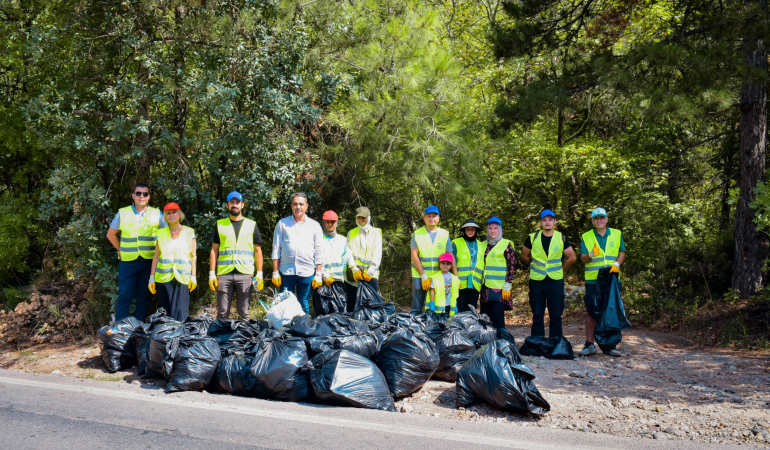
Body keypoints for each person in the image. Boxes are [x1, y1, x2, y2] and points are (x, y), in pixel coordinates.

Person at [106, 183, 168, 321]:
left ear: (149, 197)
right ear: (133, 196)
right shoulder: (123, 212)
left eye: (145, 193)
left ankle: (139, 327)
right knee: (124, 295)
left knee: (144, 296)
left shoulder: (156, 213)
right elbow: (111, 234)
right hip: (128, 262)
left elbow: (166, 235)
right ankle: (120, 327)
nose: (142, 196)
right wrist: (121, 250)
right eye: (138, 193)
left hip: (148, 262)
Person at [520, 209, 577, 338]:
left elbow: (572, 257)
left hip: (555, 280)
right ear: (540, 222)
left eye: (550, 220)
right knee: (537, 313)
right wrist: (534, 266)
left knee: (556, 313)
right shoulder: (532, 238)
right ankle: (537, 341)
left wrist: (560, 269)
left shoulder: (561, 237)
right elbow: (524, 256)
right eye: (544, 220)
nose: (547, 222)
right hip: (536, 280)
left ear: (555, 222)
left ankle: (556, 342)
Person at [578, 207, 626, 357]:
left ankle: (609, 346)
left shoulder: (617, 234)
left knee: (610, 311)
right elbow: (583, 258)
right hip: (593, 280)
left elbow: (622, 253)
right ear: (593, 220)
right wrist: (591, 254)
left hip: (611, 279)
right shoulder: (586, 236)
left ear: (606, 219)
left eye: (602, 217)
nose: (599, 220)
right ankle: (590, 344)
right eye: (596, 218)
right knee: (592, 311)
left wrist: (617, 265)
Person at [209, 191, 264, 320]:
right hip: (224, 274)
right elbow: (214, 250)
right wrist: (212, 273)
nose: (235, 205)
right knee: (222, 313)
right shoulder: (219, 224)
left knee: (244, 313)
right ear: (227, 205)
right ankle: (222, 339)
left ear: (242, 205)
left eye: (237, 202)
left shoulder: (252, 225)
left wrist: (260, 274)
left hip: (245, 274)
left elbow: (258, 251)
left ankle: (244, 339)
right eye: (232, 202)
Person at [271, 192, 324, 314]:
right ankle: (286, 330)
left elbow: (319, 251)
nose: (298, 207)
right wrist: (275, 272)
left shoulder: (314, 226)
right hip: (286, 271)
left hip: (307, 272)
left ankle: (303, 330)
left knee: (303, 303)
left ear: (306, 206)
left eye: (301, 204)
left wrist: (318, 273)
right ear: (291, 206)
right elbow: (276, 248)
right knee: (285, 303)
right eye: (295, 204)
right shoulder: (282, 224)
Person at [148, 203, 197, 322]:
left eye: (174, 212)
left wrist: (194, 276)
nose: (171, 215)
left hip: (182, 278)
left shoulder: (189, 232)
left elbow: (193, 256)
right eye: (168, 213)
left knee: (181, 311)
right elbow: (156, 256)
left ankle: (180, 338)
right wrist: (152, 277)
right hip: (164, 278)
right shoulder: (160, 233)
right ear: (165, 217)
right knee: (166, 311)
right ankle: (167, 338)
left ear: (179, 215)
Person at [410, 205, 455, 313]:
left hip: (438, 275)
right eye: (428, 216)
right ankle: (414, 327)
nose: (431, 218)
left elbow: (450, 256)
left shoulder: (444, 234)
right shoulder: (417, 234)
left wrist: (456, 277)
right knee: (417, 306)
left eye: (434, 216)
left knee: (437, 304)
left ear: (438, 218)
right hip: (420, 275)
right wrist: (423, 275)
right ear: (424, 218)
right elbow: (414, 256)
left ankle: (433, 327)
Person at [344, 206, 383, 311]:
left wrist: (370, 272)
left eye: (364, 217)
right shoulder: (351, 233)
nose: (362, 220)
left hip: (370, 275)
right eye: (359, 217)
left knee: (370, 306)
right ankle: (352, 326)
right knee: (351, 305)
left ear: (369, 218)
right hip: (354, 275)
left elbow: (377, 253)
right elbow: (348, 252)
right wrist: (354, 269)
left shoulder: (376, 233)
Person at [479, 217, 515, 329]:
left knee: (497, 317)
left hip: (500, 288)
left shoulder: (506, 244)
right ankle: (487, 342)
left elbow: (511, 265)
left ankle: (500, 342)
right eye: (490, 228)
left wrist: (507, 285)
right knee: (485, 317)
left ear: (499, 230)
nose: (492, 231)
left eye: (495, 228)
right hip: (485, 287)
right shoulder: (482, 244)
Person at [313, 210, 348, 317]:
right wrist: (324, 275)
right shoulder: (317, 240)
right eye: (327, 222)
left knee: (340, 314)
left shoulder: (343, 240)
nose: (330, 224)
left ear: (336, 223)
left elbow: (345, 259)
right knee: (321, 313)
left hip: (338, 283)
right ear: (323, 222)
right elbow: (314, 259)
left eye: (333, 222)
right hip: (321, 282)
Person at [452, 219, 486, 313]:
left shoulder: (481, 244)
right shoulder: (456, 243)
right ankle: (459, 327)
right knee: (460, 307)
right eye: (468, 229)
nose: (470, 231)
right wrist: (455, 277)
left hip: (475, 282)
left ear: (476, 231)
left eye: (472, 229)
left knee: (472, 308)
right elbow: (453, 261)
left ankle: (470, 327)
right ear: (464, 230)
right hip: (460, 282)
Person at [427, 253, 460, 317]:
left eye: (448, 264)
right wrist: (432, 303)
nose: (445, 265)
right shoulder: (435, 277)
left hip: (449, 305)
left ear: (451, 266)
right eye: (443, 263)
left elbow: (455, 292)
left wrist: (455, 304)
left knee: (448, 322)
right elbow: (432, 291)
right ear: (439, 264)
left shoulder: (454, 278)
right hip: (439, 306)